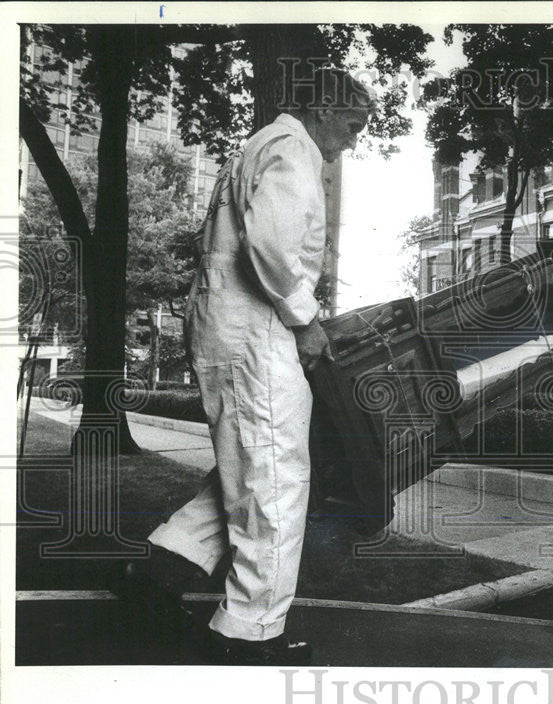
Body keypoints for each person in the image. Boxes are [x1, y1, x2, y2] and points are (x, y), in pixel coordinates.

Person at [109, 68, 373, 665]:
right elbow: (273, 248)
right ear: (326, 110)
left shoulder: (258, 145)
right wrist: (307, 321)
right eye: (353, 125)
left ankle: (155, 568)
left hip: (226, 328)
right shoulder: (293, 149)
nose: (352, 140)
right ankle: (249, 632)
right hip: (259, 334)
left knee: (247, 464)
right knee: (276, 482)